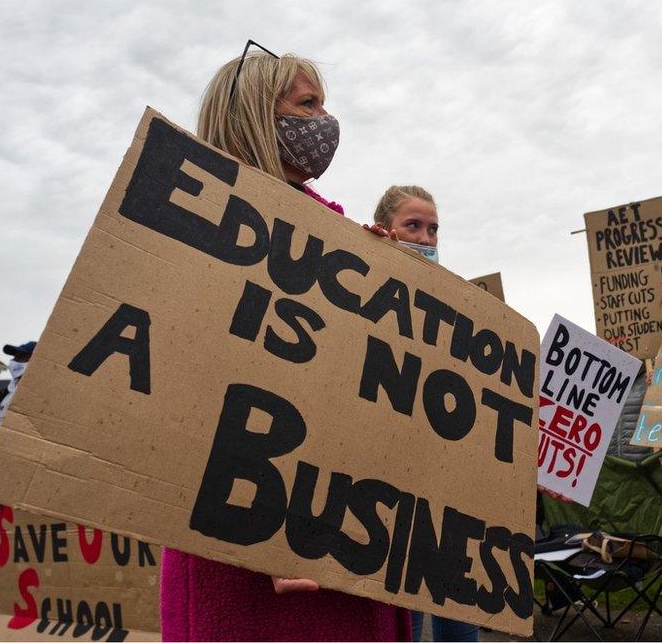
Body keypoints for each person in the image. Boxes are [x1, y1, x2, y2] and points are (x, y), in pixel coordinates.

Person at [159, 46, 411, 642]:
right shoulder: (204, 222)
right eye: (308, 104)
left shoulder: (333, 227)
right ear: (252, 114)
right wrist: (270, 529)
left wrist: (382, 278)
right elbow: (190, 388)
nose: (325, 120)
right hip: (252, 541)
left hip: (343, 529)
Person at [367, 185, 477, 643]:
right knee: (402, 626)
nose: (427, 237)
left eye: (433, 229)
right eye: (413, 226)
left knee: (459, 623)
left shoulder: (456, 305)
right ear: (385, 229)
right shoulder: (363, 289)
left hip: (449, 498)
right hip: (389, 498)